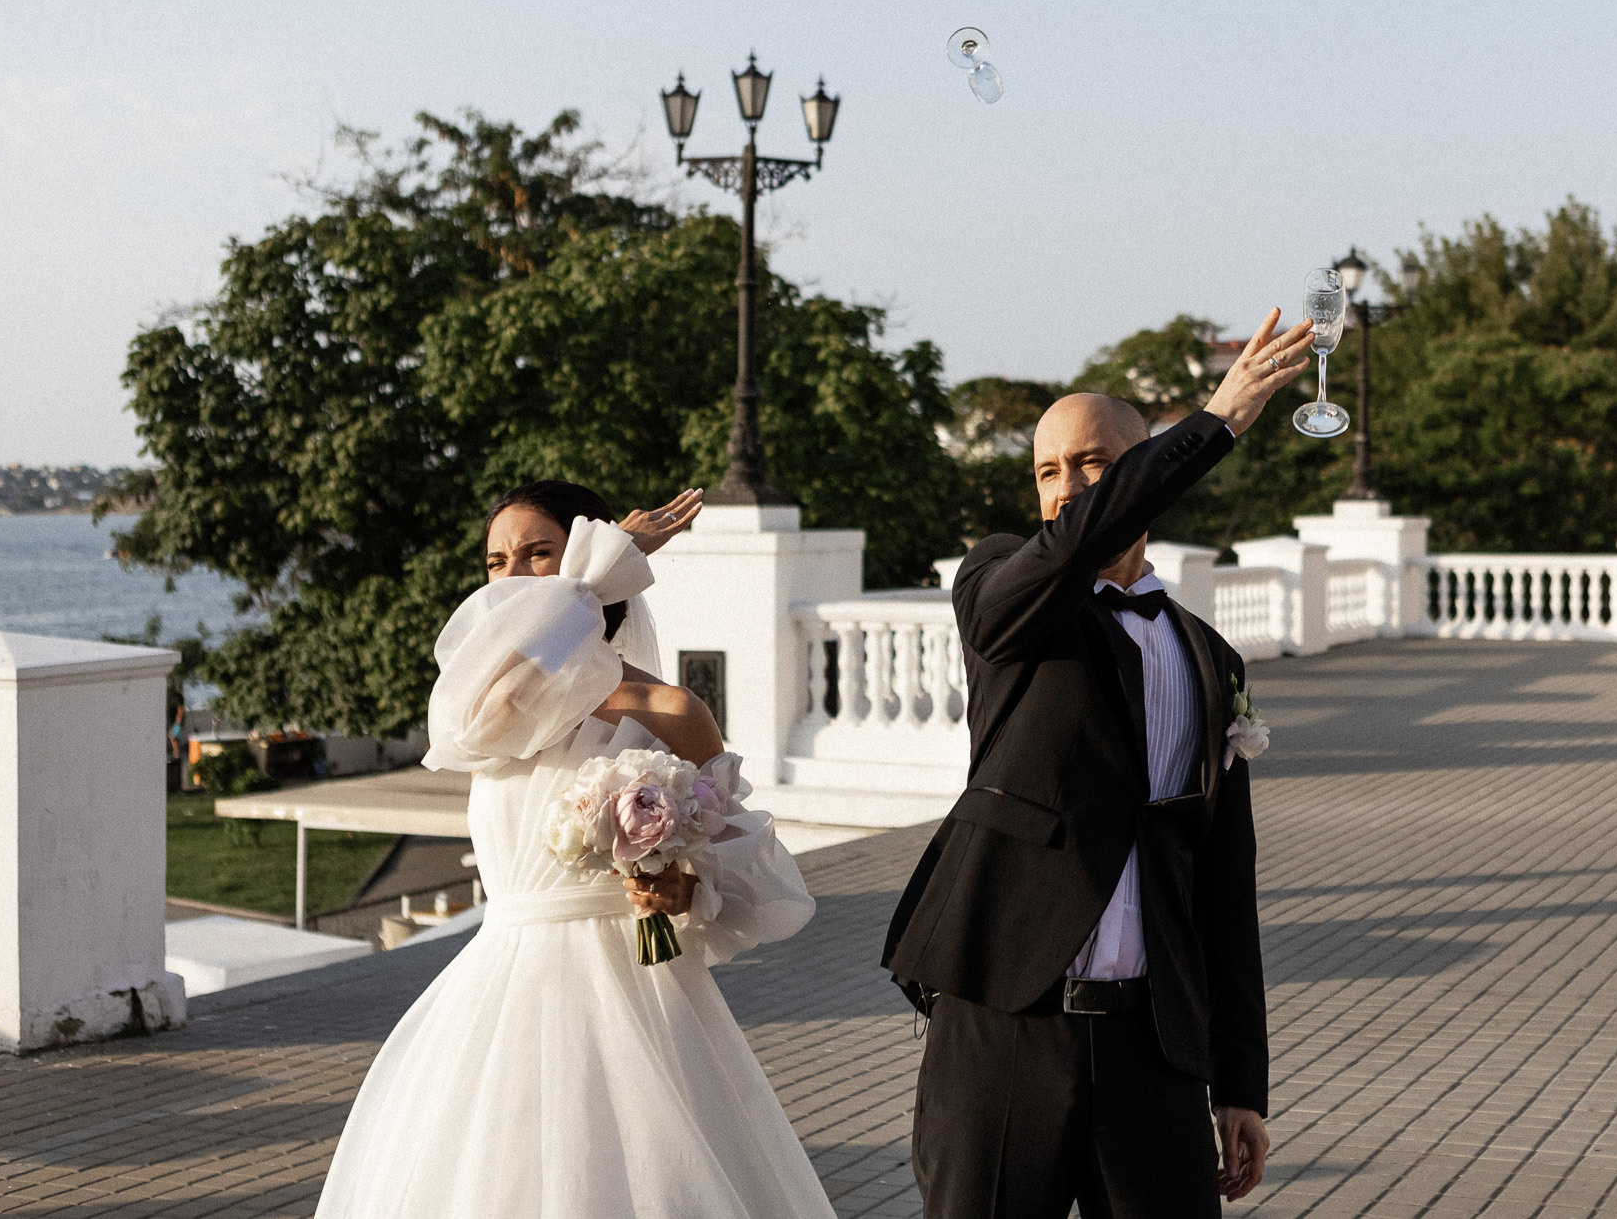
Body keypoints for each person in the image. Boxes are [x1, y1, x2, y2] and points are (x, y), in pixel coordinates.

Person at [883, 309, 1318, 1218]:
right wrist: (1218, 422)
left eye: (1091, 463)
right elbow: (1069, 546)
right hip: (1004, 1026)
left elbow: (1222, 880)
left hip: (1152, 1049)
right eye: (1047, 469)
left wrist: (1242, 1080)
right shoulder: (1002, 585)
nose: (1065, 486)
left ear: (1142, 471)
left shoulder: (1209, 657)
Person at [316, 481, 837, 1219]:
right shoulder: (490, 708)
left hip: (635, 994)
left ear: (592, 566)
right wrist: (588, 575)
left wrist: (682, 893)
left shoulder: (673, 712)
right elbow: (473, 713)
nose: (515, 577)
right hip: (501, 997)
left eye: (540, 554)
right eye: (497, 562)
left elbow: (743, 875)